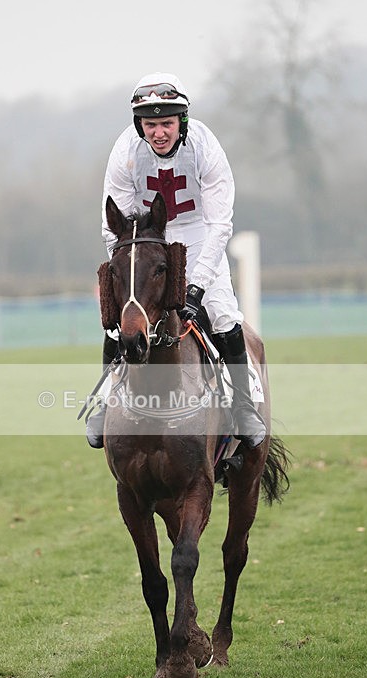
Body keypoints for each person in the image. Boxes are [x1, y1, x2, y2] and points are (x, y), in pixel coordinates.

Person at [87, 71, 266, 450]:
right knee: (120, 319)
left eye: (166, 123)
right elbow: (112, 225)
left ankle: (243, 406)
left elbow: (220, 223)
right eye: (150, 124)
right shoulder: (124, 153)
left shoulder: (205, 146)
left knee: (221, 313)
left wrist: (196, 286)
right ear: (140, 126)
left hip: (201, 235)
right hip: (148, 237)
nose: (159, 133)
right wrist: (125, 275)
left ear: (181, 122)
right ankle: (104, 403)